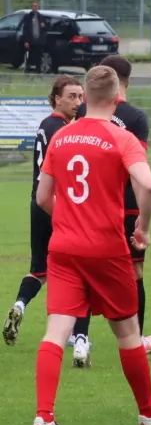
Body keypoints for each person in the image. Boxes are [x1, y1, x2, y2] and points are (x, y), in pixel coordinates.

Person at [32, 66, 151, 425]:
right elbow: (147, 185)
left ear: (85, 98)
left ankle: (44, 417)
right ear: (116, 98)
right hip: (105, 247)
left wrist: (68, 218)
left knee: (56, 331)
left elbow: (42, 197)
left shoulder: (62, 137)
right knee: (128, 331)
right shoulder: (120, 136)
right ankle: (148, 410)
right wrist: (142, 228)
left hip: (63, 246)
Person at [70, 55, 151, 356]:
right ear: (128, 81)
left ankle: (80, 340)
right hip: (128, 206)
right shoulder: (135, 117)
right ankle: (138, 337)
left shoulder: (85, 109)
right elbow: (139, 170)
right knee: (134, 272)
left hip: (89, 203)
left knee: (82, 270)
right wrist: (142, 220)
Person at [3, 77, 83, 360]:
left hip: (37, 203)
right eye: (71, 96)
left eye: (80, 96)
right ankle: (77, 336)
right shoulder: (62, 130)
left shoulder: (45, 126)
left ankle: (20, 305)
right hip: (57, 204)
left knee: (39, 269)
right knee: (77, 269)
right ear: (56, 99)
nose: (77, 102)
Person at [22, 2, 47, 73]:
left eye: (36, 6)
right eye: (34, 6)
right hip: (30, 40)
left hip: (39, 40)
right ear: (32, 7)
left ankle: (38, 70)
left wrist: (43, 26)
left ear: (38, 7)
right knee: (30, 55)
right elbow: (25, 29)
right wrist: (26, 41)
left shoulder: (41, 16)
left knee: (38, 55)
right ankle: (28, 69)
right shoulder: (28, 16)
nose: (35, 8)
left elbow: (45, 29)